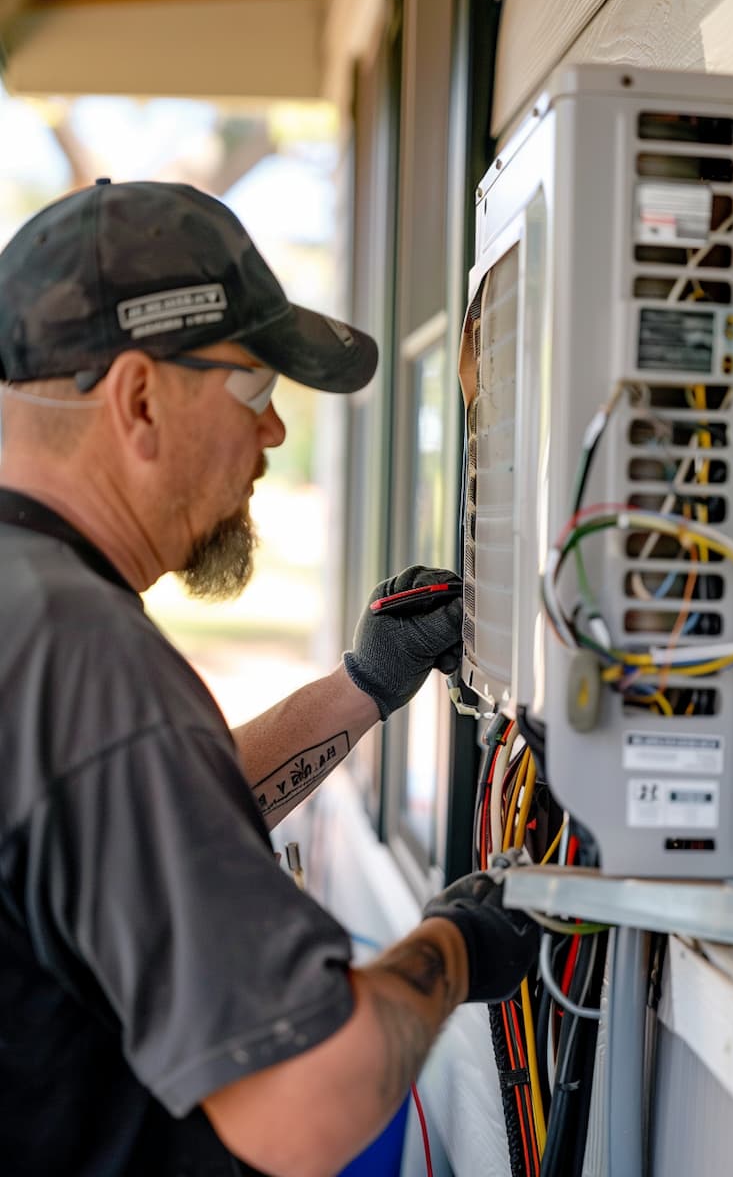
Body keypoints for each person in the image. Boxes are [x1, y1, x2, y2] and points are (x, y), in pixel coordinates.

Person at [0, 179, 540, 1177]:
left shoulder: (28, 617)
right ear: (138, 397)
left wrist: (361, 689)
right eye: (255, 388)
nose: (275, 434)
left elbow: (120, 831)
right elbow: (310, 1096)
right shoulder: (83, 652)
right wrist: (457, 944)